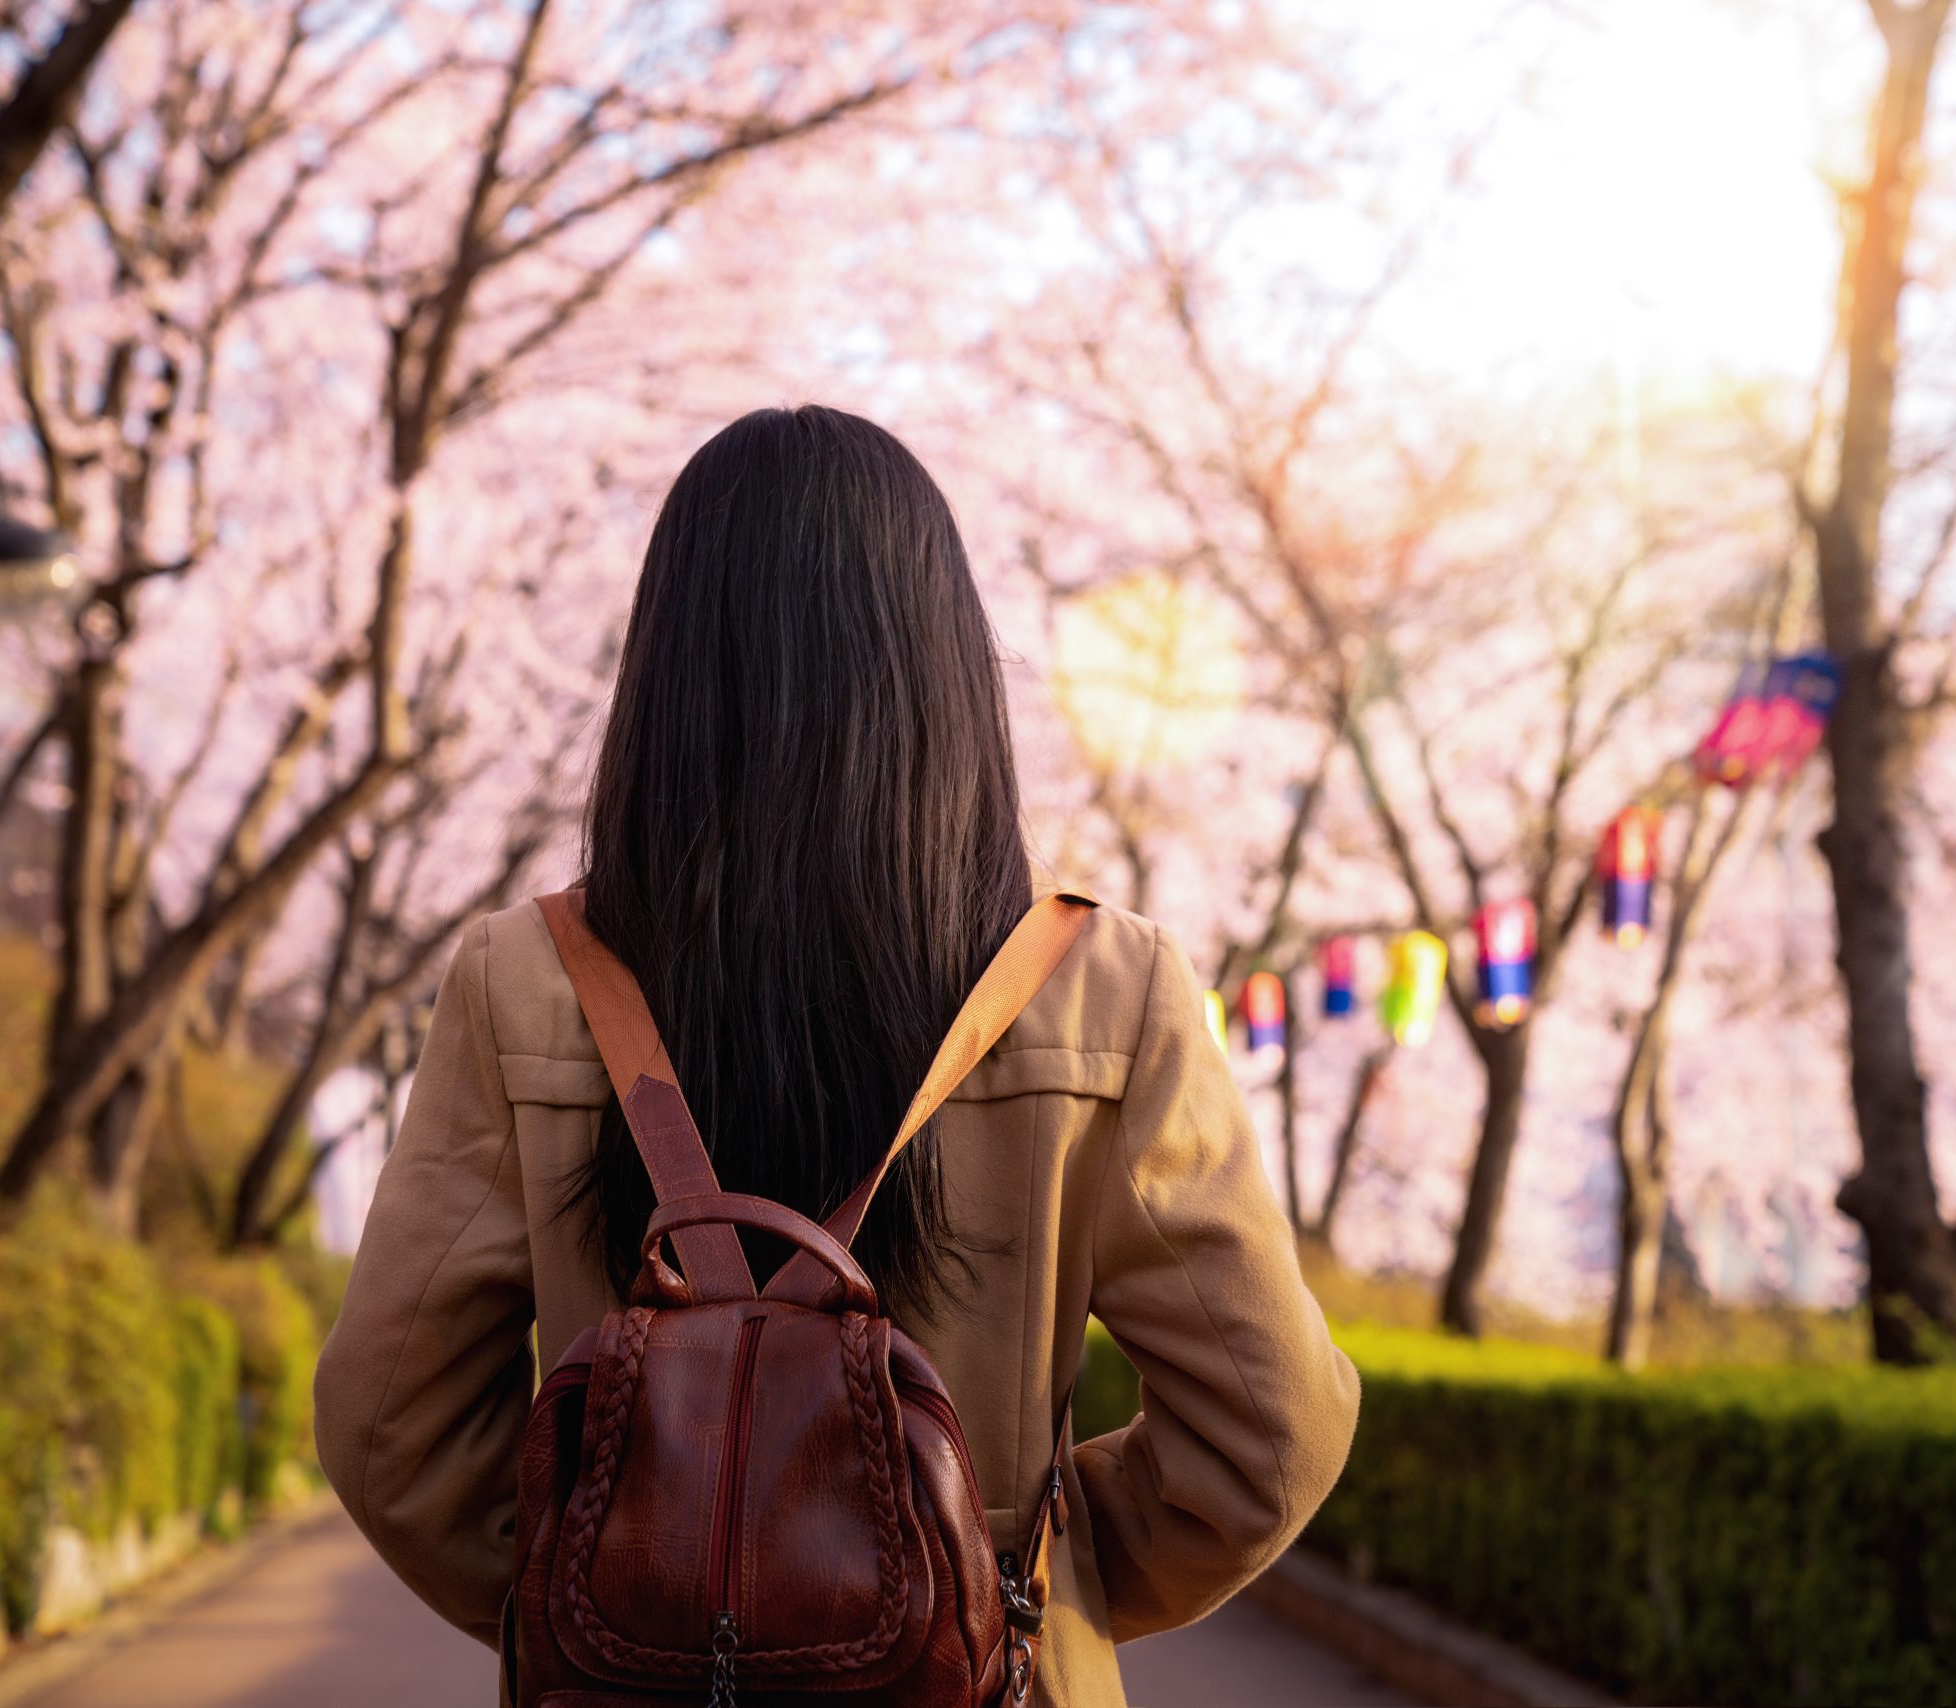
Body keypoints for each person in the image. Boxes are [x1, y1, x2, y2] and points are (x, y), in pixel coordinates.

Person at [313, 404, 1359, 1706]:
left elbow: (386, 1422)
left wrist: (634, 1610)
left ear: (667, 672)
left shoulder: (521, 981)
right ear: (949, 673)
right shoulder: (1105, 987)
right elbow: (1273, 1433)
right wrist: (997, 1589)